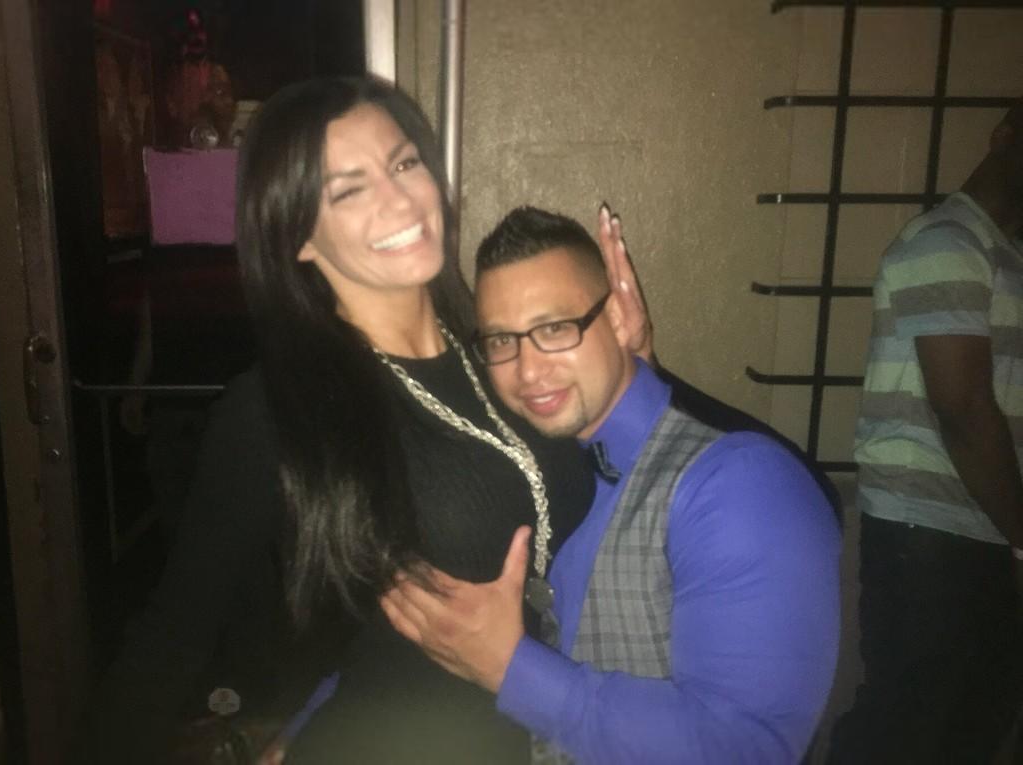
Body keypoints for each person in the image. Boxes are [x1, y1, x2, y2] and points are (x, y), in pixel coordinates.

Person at [80, 77, 660, 764]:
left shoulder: (505, 351)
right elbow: (171, 636)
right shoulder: (276, 408)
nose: (401, 200)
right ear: (297, 235)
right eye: (349, 190)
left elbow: (628, 493)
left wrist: (632, 374)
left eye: (404, 162)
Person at [382, 206, 842, 764]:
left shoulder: (737, 487)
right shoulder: (523, 469)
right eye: (502, 341)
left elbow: (746, 751)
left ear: (620, 317)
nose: (528, 371)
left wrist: (510, 668)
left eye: (555, 328)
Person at [827, 106, 1023, 764]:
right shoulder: (947, 243)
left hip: (982, 530)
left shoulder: (1005, 255)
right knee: (911, 728)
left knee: (967, 726)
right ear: (1004, 137)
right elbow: (962, 407)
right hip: (932, 534)